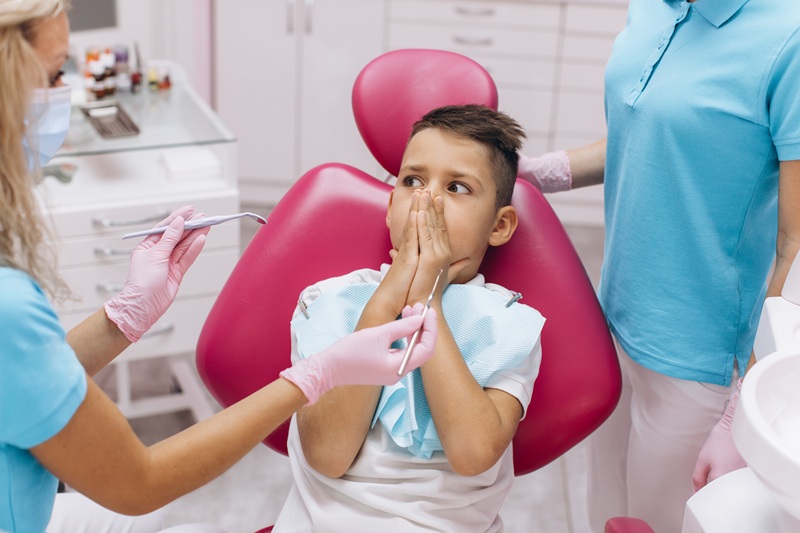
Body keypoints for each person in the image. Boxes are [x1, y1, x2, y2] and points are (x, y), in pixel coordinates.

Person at [0, 2, 439, 533]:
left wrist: (123, 317)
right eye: (53, 75)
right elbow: (138, 482)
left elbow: (23, 377)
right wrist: (316, 375)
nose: (66, 92)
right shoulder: (10, 306)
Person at [516, 1, 800, 531]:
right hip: (612, 322)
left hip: (696, 361)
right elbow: (650, 133)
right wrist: (539, 173)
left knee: (656, 522)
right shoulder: (653, 7)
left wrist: (744, 410)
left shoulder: (789, 39)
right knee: (605, 511)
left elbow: (796, 242)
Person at [271, 104, 545, 532]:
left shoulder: (506, 325)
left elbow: (473, 455)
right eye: (412, 181)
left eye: (457, 187)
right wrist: (385, 304)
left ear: (499, 226)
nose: (426, 200)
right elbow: (326, 454)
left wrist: (427, 301)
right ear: (390, 206)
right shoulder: (329, 303)